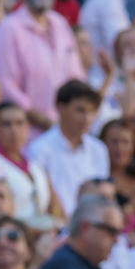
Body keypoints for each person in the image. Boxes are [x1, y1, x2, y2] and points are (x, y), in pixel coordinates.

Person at [0, 0, 82, 133]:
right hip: (27, 135)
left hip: (64, 131)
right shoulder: (9, 29)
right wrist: (42, 120)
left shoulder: (60, 24)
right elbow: (5, 85)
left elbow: (76, 75)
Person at [26, 80, 109, 222]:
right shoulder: (39, 149)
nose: (86, 118)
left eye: (91, 112)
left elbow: (103, 193)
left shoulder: (99, 149)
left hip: (94, 225)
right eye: (80, 110)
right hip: (57, 226)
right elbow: (43, 198)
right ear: (60, 108)